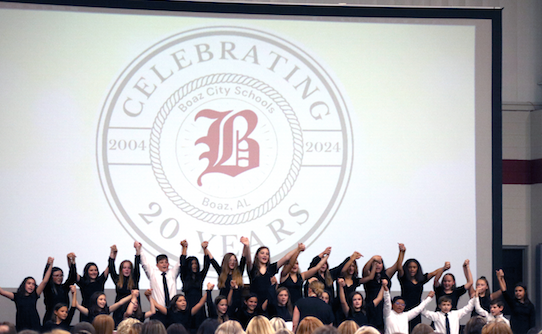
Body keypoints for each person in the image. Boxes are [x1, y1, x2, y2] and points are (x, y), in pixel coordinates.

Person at [0, 257, 54, 331]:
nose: (31, 286)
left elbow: (45, 281)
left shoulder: (35, 295)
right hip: (21, 322)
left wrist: (50, 264)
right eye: (29, 283)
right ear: (24, 284)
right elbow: (1, 292)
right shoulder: (17, 296)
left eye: (33, 284)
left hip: (34, 322)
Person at [246, 243, 304, 311]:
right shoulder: (253, 269)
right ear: (257, 255)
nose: (265, 255)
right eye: (262, 253)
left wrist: (298, 249)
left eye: (267, 254)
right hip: (255, 302)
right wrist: (247, 246)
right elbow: (248, 259)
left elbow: (286, 257)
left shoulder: (271, 268)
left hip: (269, 302)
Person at [361, 243, 406, 330]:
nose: (378, 265)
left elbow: (397, 265)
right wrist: (372, 258)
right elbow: (365, 269)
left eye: (380, 263)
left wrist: (402, 252)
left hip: (384, 306)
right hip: (372, 305)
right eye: (375, 263)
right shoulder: (368, 275)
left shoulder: (386, 274)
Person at [397, 258, 449, 330]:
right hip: (406, 309)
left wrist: (443, 268)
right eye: (410, 267)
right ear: (406, 268)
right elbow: (399, 267)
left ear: (418, 269)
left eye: (414, 267)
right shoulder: (404, 279)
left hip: (417, 309)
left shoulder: (421, 280)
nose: (412, 269)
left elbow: (434, 273)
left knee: (417, 330)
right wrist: (402, 252)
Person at [138, 241, 182, 325]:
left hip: (173, 311)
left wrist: (183, 248)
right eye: (161, 263)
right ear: (157, 265)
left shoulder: (172, 273)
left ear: (168, 264)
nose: (164, 264)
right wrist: (140, 250)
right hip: (158, 312)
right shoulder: (152, 273)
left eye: (166, 262)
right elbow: (144, 263)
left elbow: (180, 263)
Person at [179, 240, 212, 332]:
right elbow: (182, 263)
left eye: (196, 263)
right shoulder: (184, 276)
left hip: (199, 306)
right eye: (192, 264)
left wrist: (205, 249)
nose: (194, 266)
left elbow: (206, 265)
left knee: (200, 329)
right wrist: (184, 248)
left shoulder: (200, 277)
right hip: (188, 306)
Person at [76, 248, 112, 322]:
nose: (94, 272)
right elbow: (73, 273)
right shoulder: (83, 282)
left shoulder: (100, 281)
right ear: (87, 271)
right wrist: (71, 261)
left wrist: (112, 254)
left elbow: (109, 267)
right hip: (86, 310)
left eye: (95, 270)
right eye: (91, 270)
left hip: (101, 310)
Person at [108, 243, 141, 326]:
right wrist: (112, 253)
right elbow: (111, 268)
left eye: (129, 268)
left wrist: (137, 251)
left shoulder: (134, 279)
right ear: (121, 269)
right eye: (124, 268)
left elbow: (137, 265)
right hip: (119, 309)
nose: (127, 270)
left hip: (133, 308)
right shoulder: (117, 279)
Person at [210, 237, 250, 301]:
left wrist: (245, 245)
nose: (232, 262)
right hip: (223, 303)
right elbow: (212, 260)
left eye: (234, 260)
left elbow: (243, 258)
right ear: (226, 261)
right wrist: (205, 249)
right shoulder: (222, 272)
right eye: (230, 260)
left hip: (236, 303)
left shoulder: (238, 271)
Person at [43, 253, 77, 325]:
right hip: (50, 318)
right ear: (51, 277)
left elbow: (72, 278)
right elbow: (45, 279)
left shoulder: (64, 288)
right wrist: (48, 265)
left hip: (63, 318)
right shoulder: (48, 288)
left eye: (61, 275)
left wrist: (73, 262)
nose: (59, 277)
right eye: (56, 276)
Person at [497, 269, 535, 334]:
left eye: (520, 291)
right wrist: (500, 278)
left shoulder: (530, 305)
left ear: (525, 292)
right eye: (516, 291)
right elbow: (504, 292)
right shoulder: (513, 303)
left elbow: (532, 322)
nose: (518, 293)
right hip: (514, 331)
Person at [73, 285, 138, 323]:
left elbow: (120, 303)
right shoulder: (89, 311)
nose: (103, 301)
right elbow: (76, 305)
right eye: (101, 299)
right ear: (95, 300)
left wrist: (132, 295)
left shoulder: (107, 310)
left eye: (104, 300)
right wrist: (74, 293)